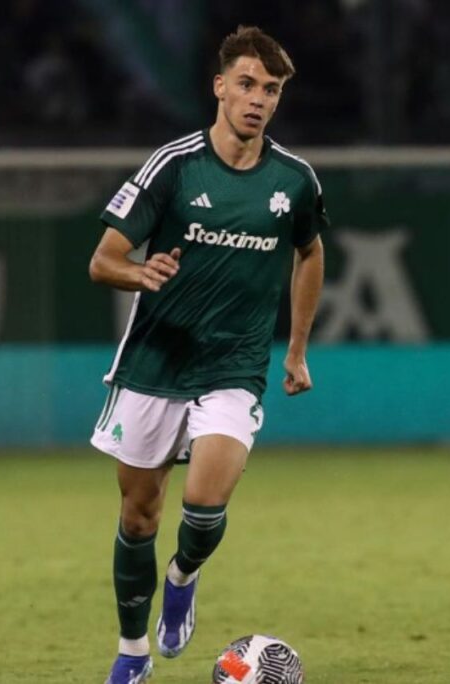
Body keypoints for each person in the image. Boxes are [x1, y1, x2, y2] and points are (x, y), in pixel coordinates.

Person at [88, 26, 328, 684]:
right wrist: (141, 273)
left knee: (203, 501)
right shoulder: (174, 166)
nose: (258, 99)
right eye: (247, 84)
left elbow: (310, 252)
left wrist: (298, 348)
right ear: (219, 87)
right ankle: (133, 651)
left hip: (234, 366)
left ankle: (184, 574)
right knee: (139, 515)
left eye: (271, 90)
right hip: (154, 363)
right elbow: (102, 261)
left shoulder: (294, 181)